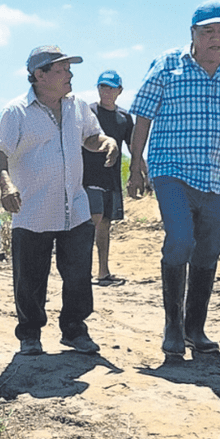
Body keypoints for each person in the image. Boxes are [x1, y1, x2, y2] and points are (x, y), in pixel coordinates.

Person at [127, 0, 220, 356]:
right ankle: (173, 328)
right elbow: (143, 115)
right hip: (172, 170)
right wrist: (136, 164)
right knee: (180, 240)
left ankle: (195, 328)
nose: (216, 38)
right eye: (207, 31)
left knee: (208, 252)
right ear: (192, 34)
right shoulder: (167, 65)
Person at [0, 45, 118, 356]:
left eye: (69, 69)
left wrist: (106, 141)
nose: (70, 75)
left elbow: (90, 136)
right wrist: (6, 186)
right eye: (61, 70)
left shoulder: (77, 106)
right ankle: (30, 334)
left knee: (77, 274)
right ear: (39, 76)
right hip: (33, 209)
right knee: (30, 278)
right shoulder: (16, 111)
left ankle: (74, 330)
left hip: (74, 206)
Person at [87, 70, 133, 286]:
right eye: (103, 87)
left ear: (119, 91)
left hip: (111, 179)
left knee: (105, 225)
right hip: (87, 179)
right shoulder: (88, 112)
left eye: (111, 87)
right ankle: (82, 271)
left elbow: (134, 148)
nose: (107, 91)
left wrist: (139, 172)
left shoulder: (124, 118)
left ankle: (103, 272)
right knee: (91, 222)